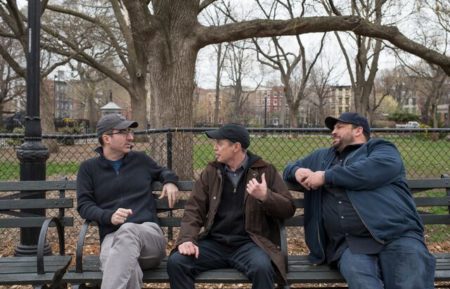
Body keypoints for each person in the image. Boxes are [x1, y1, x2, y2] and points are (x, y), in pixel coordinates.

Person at [283, 112, 436, 289]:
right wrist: (296, 171)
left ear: (358, 130)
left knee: (411, 280)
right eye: (333, 128)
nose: (333, 131)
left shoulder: (380, 148)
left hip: (397, 235)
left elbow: (370, 171)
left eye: (339, 127)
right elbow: (289, 167)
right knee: (363, 283)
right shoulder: (322, 157)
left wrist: (327, 176)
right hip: (349, 244)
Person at [167, 123, 295, 289]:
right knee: (177, 262)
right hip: (215, 243)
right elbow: (194, 210)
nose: (215, 148)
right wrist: (186, 239)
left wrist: (265, 196)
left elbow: (288, 208)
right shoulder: (211, 172)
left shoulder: (265, 171)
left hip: (249, 244)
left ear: (236, 147)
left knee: (262, 268)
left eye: (219, 143)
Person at [76, 113, 179, 289]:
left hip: (148, 237)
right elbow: (84, 205)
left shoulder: (141, 160)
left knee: (128, 230)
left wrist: (170, 181)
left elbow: (163, 171)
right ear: (107, 138)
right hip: (112, 237)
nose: (131, 137)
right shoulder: (88, 169)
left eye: (130, 132)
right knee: (124, 266)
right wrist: (109, 216)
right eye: (124, 132)